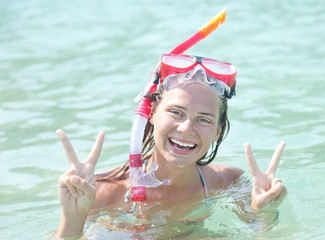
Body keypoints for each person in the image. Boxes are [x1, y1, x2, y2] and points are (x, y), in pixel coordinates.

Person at [55, 54, 287, 239]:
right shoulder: (102, 191)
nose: (186, 128)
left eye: (204, 119)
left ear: (218, 130)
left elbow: (264, 233)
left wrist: (266, 214)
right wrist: (73, 217)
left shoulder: (229, 183)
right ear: (152, 114)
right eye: (176, 112)